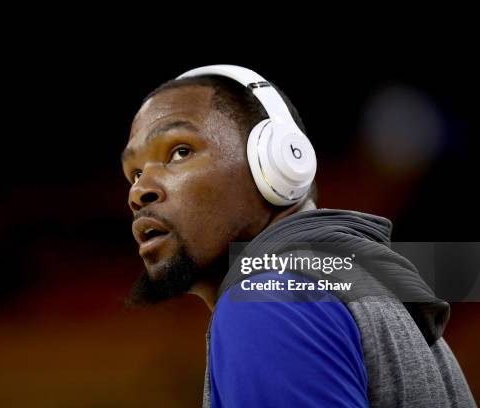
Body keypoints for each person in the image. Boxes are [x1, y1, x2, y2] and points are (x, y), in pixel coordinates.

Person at [120, 65, 475, 407]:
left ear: (275, 161)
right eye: (134, 173)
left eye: (180, 152)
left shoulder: (267, 300)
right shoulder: (355, 287)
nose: (139, 192)